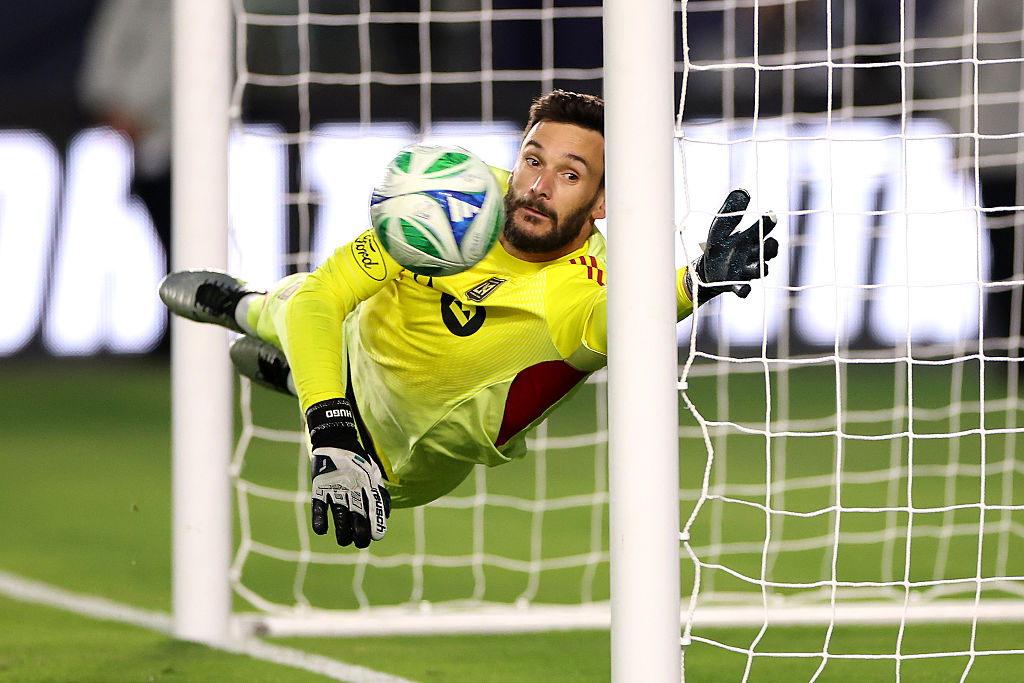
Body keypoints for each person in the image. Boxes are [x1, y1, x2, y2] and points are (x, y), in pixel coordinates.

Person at [160, 90, 779, 549]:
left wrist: (694, 285)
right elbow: (326, 297)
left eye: (570, 174)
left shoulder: (582, 288)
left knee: (322, 360)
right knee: (300, 302)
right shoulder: (455, 194)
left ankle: (301, 374)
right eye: (533, 160)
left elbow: (622, 322)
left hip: (404, 455)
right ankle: (239, 306)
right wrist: (329, 428)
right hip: (364, 343)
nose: (538, 186)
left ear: (602, 202)